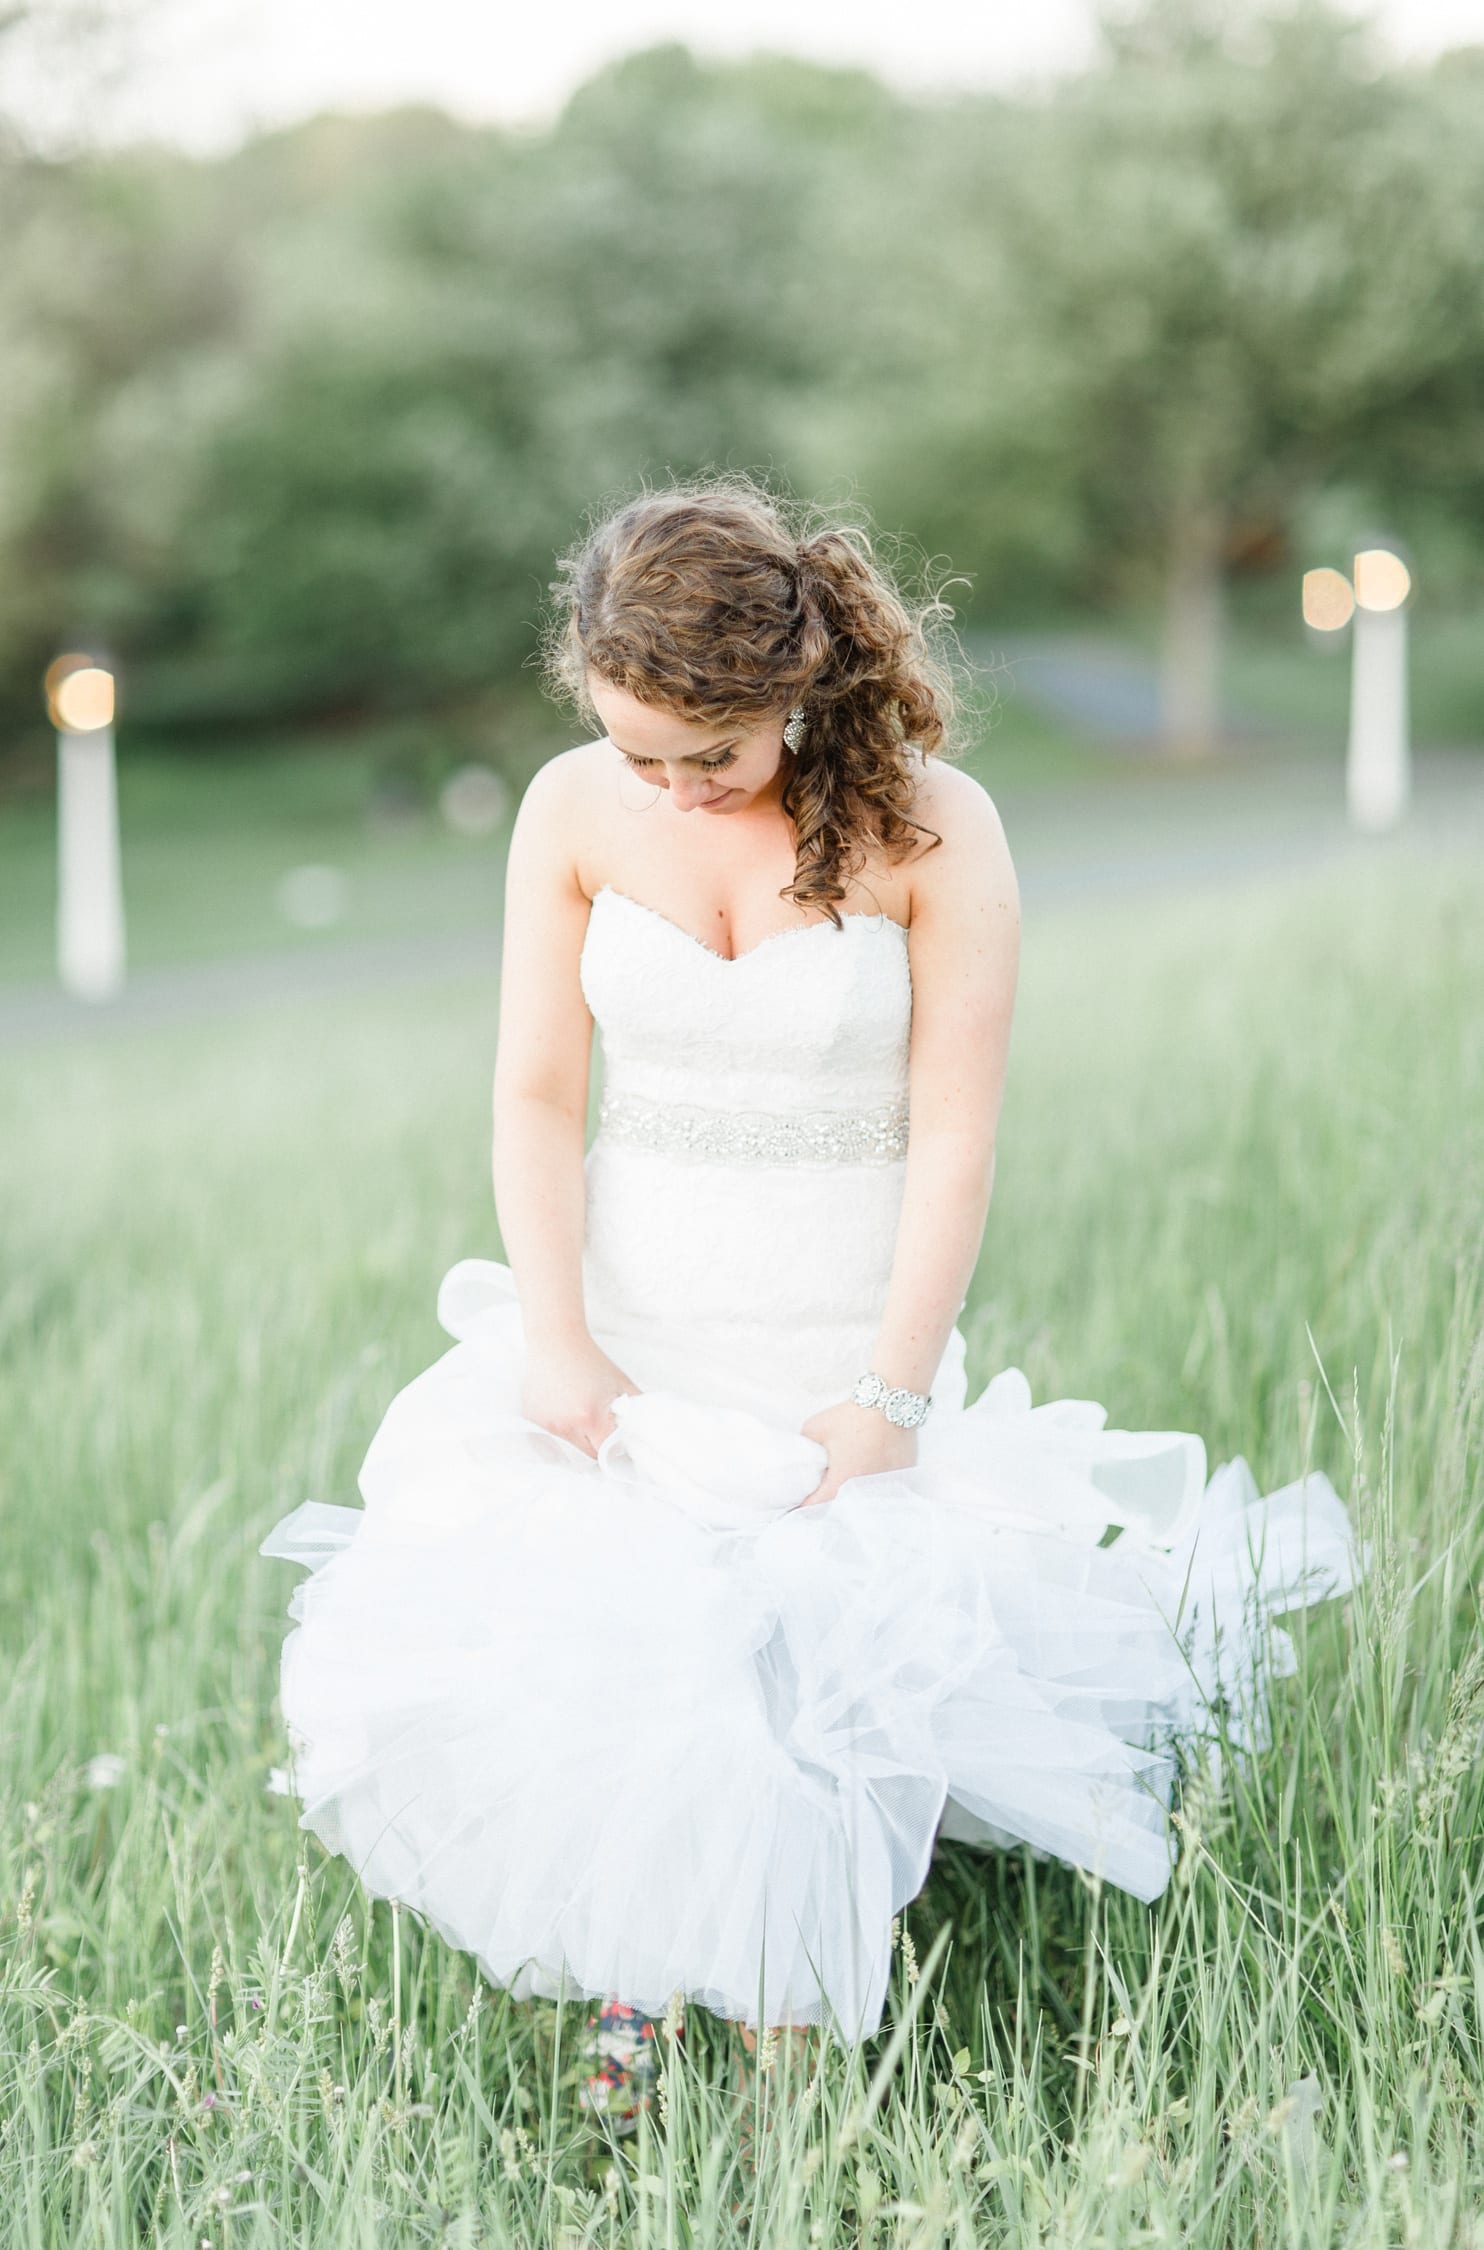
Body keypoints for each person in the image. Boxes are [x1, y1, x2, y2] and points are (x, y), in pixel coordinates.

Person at [262, 479, 1363, 2133]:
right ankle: (640, 1966)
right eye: (638, 749)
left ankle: (786, 2023)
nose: (673, 789)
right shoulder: (570, 811)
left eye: (709, 752)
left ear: (796, 683)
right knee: (622, 1648)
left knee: (799, 1659)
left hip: (835, 1323)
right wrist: (557, 1335)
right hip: (630, 1314)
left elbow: (956, 1139)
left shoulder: (940, 828)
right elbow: (538, 1094)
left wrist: (893, 1394)